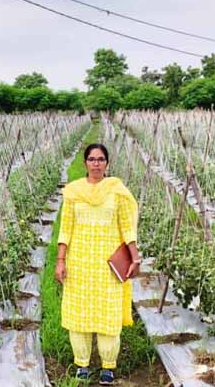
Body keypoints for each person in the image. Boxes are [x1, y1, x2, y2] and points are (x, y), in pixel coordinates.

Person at [55, 143, 141, 386]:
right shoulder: (73, 192)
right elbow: (65, 229)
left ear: (107, 163)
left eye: (100, 159)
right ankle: (82, 364)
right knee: (79, 314)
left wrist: (135, 258)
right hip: (79, 264)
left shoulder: (117, 191)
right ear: (85, 163)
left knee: (108, 315)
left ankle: (108, 366)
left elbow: (127, 227)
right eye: (92, 159)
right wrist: (60, 260)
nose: (96, 163)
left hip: (108, 266)